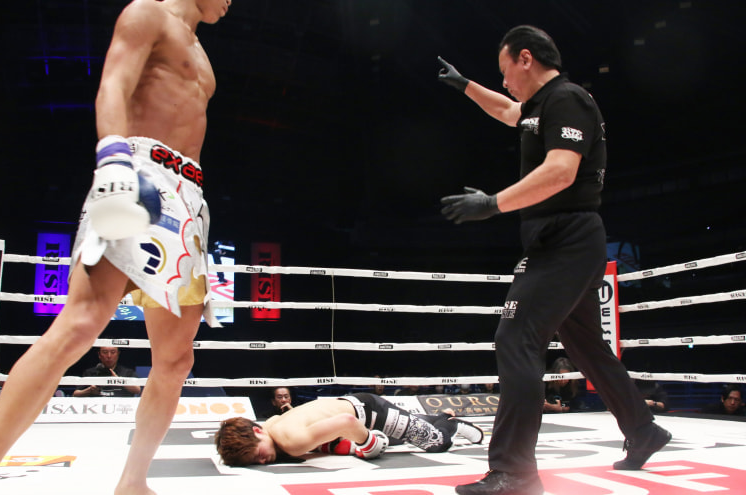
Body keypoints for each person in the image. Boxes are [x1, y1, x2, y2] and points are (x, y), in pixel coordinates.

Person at [0, 1, 232, 494]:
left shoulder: (203, 53)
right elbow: (114, 85)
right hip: (139, 172)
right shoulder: (147, 13)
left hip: (188, 196)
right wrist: (113, 159)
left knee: (176, 359)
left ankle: (133, 482)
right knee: (81, 324)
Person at [437, 25, 671, 495]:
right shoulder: (540, 106)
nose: (504, 82)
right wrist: (465, 86)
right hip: (560, 239)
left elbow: (562, 171)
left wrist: (493, 203)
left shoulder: (567, 99)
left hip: (567, 239)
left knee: (515, 337)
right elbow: (507, 111)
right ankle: (643, 430)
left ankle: (515, 471)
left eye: (505, 71)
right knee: (585, 346)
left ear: (526, 59)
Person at [214, 392, 484, 466]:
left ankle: (450, 422)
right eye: (255, 461)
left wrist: (369, 445)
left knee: (436, 442)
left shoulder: (291, 442)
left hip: (369, 415)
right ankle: (433, 417)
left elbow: (346, 423)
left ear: (257, 433)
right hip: (358, 406)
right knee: (403, 436)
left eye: (257, 454)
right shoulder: (271, 424)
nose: (262, 461)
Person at [73, 346, 141, 397]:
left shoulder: (127, 372)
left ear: (118, 354)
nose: (109, 356)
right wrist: (89, 391)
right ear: (99, 355)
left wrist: (118, 380)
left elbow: (137, 390)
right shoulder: (89, 373)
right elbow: (75, 394)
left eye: (113, 352)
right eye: (105, 352)